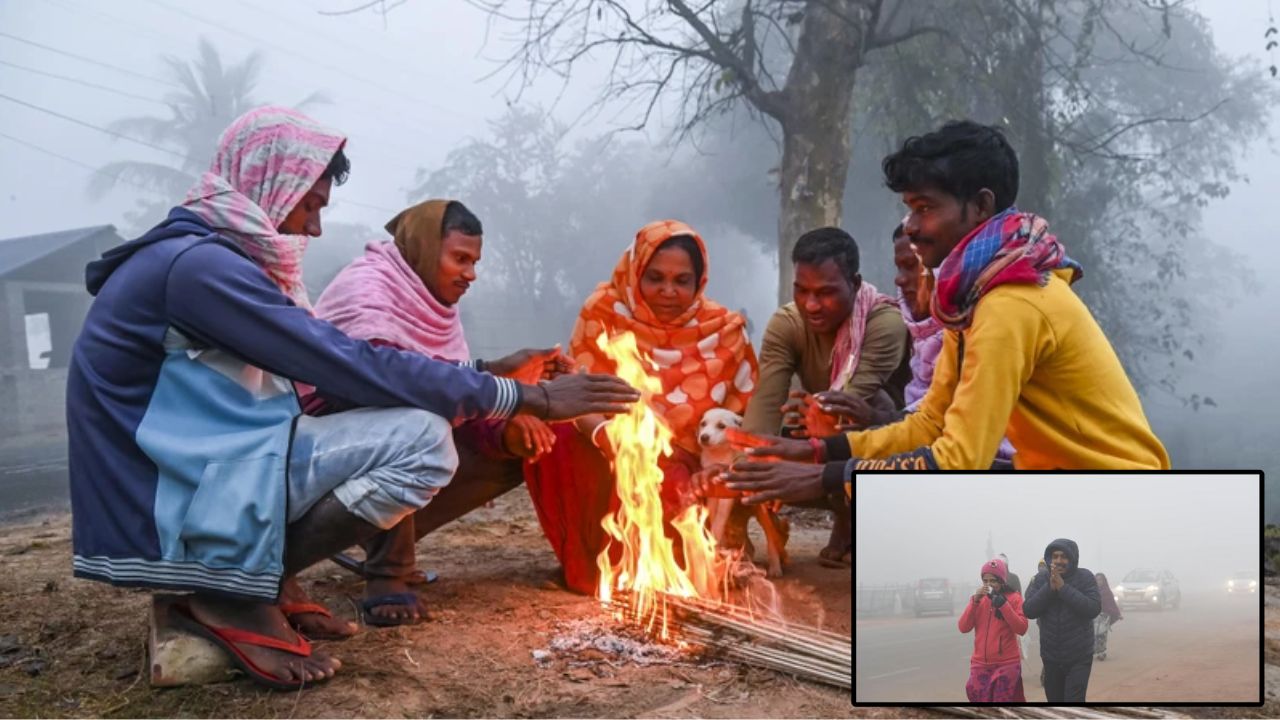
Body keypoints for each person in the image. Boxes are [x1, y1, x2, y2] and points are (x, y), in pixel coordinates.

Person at [66, 107, 639, 690]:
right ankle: (231, 595)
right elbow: (350, 367)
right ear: (270, 184)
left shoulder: (209, 258)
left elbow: (356, 368)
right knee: (421, 439)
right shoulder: (198, 267)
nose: (314, 230)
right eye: (310, 206)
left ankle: (260, 580)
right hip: (165, 489)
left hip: (212, 459)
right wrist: (527, 397)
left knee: (433, 425)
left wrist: (490, 377)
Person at [720, 120, 1170, 500]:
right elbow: (931, 422)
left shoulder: (1010, 303)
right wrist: (821, 451)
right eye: (909, 209)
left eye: (925, 208)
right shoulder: (973, 295)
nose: (911, 227)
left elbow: (959, 461)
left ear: (981, 206)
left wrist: (824, 479)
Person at [293, 198, 567, 628]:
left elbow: (441, 378)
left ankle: (369, 528)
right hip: (324, 438)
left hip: (401, 427)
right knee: (413, 418)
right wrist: (500, 384)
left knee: (518, 439)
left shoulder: (431, 302)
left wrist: (507, 392)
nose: (470, 274)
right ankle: (387, 572)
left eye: (474, 262)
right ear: (422, 247)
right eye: (460, 258)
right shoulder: (367, 287)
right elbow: (387, 383)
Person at [524, 220, 759, 594]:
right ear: (635, 273)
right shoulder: (602, 312)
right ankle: (593, 566)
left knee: (672, 486)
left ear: (699, 282)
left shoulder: (724, 330)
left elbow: (747, 421)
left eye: (682, 281)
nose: (668, 291)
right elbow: (576, 394)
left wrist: (713, 471)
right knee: (557, 434)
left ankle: (684, 558)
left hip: (691, 462)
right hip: (607, 444)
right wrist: (606, 437)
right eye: (655, 278)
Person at [742, 227, 910, 565]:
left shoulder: (885, 322)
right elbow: (764, 406)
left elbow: (845, 406)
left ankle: (852, 519)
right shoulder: (787, 324)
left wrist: (814, 418)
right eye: (801, 290)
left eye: (826, 292)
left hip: (893, 442)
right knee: (752, 446)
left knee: (852, 413)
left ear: (855, 283)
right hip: (819, 430)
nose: (811, 304)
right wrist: (748, 465)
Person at [1023, 539, 1101, 702]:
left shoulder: (1085, 577)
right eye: (1055, 556)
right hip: (1051, 656)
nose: (1059, 561)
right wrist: (1049, 588)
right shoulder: (1040, 579)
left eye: (1064, 557)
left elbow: (1093, 609)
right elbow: (1029, 610)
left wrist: (1063, 588)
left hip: (1079, 656)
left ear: (1073, 559)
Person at [958, 557, 1028, 702]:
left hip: (1006, 664)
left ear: (1002, 581)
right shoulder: (979, 600)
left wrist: (1004, 606)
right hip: (980, 664)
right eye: (985, 581)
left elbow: (1021, 628)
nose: (989, 584)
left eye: (993, 581)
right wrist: (974, 601)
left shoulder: (1014, 598)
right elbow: (963, 627)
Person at [1094, 572, 1123, 660]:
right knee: (1094, 635)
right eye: (1097, 580)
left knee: (1102, 634)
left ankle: (1101, 653)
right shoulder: (1092, 591)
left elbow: (1112, 604)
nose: (1099, 581)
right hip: (1094, 617)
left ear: (1104, 581)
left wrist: (1117, 613)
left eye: (1100, 580)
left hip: (1104, 617)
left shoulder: (1107, 592)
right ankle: (1096, 651)